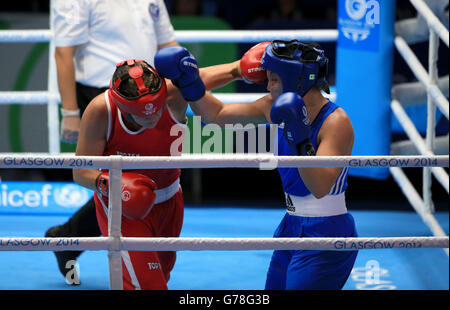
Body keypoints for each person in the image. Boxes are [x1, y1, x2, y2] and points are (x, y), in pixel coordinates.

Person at [154, 40, 358, 289]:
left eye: (274, 79)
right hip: (291, 225)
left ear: (296, 81)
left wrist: (300, 137)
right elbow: (215, 116)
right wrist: (189, 82)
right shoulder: (272, 106)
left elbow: (320, 186)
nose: (268, 85)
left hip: (327, 232)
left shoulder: (336, 122)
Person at [45, 0, 179, 283]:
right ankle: (69, 237)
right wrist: (70, 111)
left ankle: (67, 237)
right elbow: (63, 51)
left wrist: (180, 80)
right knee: (119, 183)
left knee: (134, 183)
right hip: (103, 94)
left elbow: (168, 44)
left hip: (150, 94)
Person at [72, 57, 207, 289]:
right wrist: (111, 185)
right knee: (147, 285)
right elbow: (81, 171)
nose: (151, 115)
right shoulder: (101, 109)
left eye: (155, 107)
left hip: (171, 200)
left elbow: (215, 75)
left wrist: (243, 67)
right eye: (142, 113)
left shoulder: (173, 94)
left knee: (160, 277)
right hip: (122, 208)